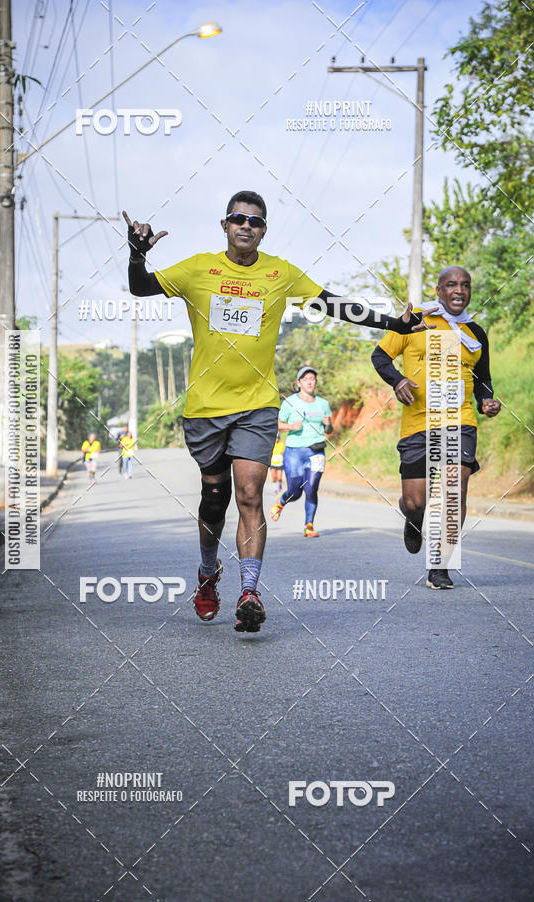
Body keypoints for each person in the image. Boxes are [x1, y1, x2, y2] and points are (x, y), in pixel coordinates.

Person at [123, 190, 429, 632]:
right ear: (224, 225)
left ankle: (250, 591)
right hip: (205, 408)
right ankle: (208, 573)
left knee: (250, 494)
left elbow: (333, 304)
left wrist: (393, 323)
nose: (246, 226)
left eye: (255, 221)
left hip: (258, 407)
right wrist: (136, 255)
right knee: (215, 500)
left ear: (264, 230)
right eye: (238, 219)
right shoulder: (198, 270)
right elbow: (140, 287)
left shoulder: (279, 274)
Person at [371, 265, 501, 589]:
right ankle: (413, 520)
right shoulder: (416, 319)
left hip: (460, 420)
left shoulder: (476, 333)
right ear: (439, 289)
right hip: (418, 422)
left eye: (466, 285)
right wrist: (397, 380)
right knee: (416, 501)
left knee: (454, 490)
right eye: (452, 284)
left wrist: (487, 401)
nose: (459, 290)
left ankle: (440, 567)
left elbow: (482, 380)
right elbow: (380, 356)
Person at [270, 366, 333, 537]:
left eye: (312, 378)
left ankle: (309, 526)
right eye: (306, 379)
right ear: (299, 383)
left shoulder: (323, 404)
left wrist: (328, 423)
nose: (310, 381)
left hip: (316, 451)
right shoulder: (289, 402)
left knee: (311, 488)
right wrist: (291, 426)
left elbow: (329, 431)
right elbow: (277, 424)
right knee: (295, 491)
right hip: (294, 452)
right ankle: (282, 501)